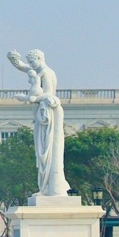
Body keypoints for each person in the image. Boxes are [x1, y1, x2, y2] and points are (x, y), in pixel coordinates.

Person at [7, 48, 72, 198]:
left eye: (32, 61)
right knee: (42, 153)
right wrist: (13, 59)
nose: (31, 64)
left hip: (48, 114)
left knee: (47, 152)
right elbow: (22, 67)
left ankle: (51, 187)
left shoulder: (47, 73)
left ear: (40, 58)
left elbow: (49, 93)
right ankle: (44, 188)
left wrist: (29, 98)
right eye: (30, 62)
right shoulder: (37, 71)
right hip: (42, 115)